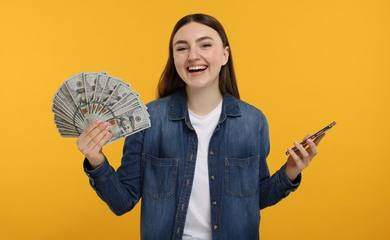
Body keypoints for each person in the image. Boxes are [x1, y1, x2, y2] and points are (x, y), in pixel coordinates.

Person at [76, 13, 325, 240]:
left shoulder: (253, 122)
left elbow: (254, 199)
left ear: (225, 55)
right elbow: (122, 202)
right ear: (174, 59)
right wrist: (96, 161)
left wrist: (291, 170)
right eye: (182, 48)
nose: (193, 55)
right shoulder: (148, 119)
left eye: (205, 45)